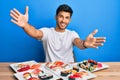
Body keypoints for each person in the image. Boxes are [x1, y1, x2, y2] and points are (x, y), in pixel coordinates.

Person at [10, 4, 106, 62]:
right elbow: (35, 32)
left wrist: (85, 43)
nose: (63, 20)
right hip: (50, 71)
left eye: (67, 18)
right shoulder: (47, 32)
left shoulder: (72, 34)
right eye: (61, 16)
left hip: (70, 71)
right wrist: (25, 25)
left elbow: (78, 43)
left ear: (70, 20)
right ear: (56, 17)